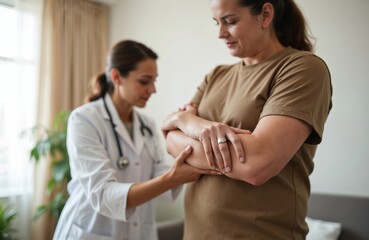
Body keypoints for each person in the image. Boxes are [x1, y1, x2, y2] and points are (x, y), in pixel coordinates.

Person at [162, 0, 333, 239]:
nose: (220, 33)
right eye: (217, 23)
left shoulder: (301, 68)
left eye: (230, 22)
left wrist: (186, 134)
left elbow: (255, 165)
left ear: (265, 15)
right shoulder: (216, 76)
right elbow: (169, 139)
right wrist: (191, 122)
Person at [53, 40, 217, 240]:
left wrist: (184, 142)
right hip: (91, 230)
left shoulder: (146, 124)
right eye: (144, 81)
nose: (153, 89)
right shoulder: (84, 119)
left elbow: (163, 181)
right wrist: (172, 177)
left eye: (154, 80)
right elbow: (103, 195)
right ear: (116, 77)